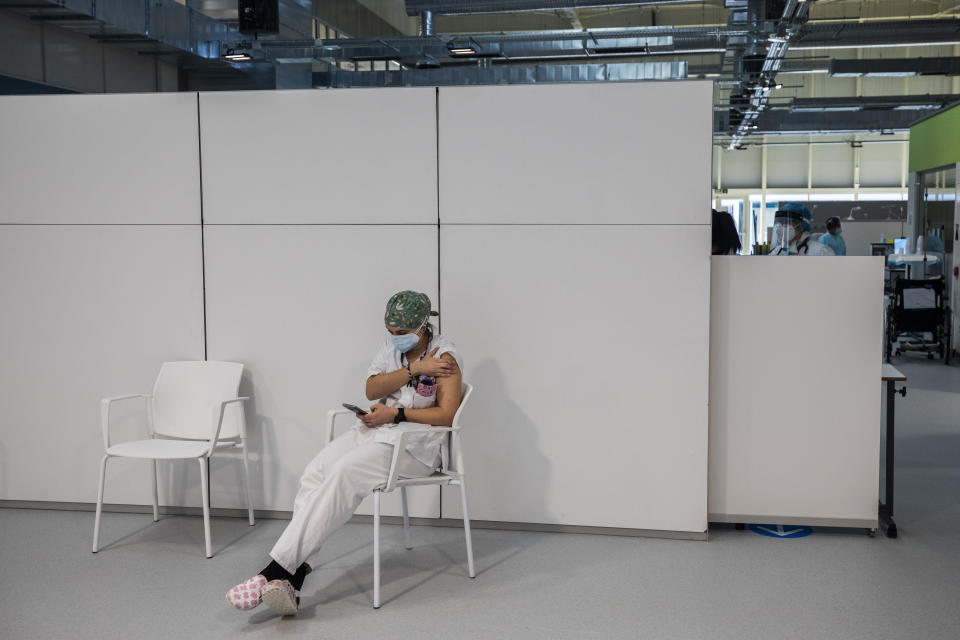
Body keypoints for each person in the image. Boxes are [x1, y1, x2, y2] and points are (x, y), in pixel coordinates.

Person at [226, 290, 463, 616]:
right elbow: (372, 388)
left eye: (402, 334)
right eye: (391, 332)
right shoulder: (392, 348)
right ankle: (293, 579)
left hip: (414, 450)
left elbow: (447, 416)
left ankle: (274, 572)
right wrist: (411, 371)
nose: (395, 339)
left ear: (423, 327)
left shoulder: (445, 360)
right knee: (315, 471)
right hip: (378, 431)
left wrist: (395, 415)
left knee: (343, 474)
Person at [769, 203, 835, 256]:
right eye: (781, 223)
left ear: (800, 226)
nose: (781, 227)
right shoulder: (777, 251)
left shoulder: (821, 252)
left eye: (787, 223)